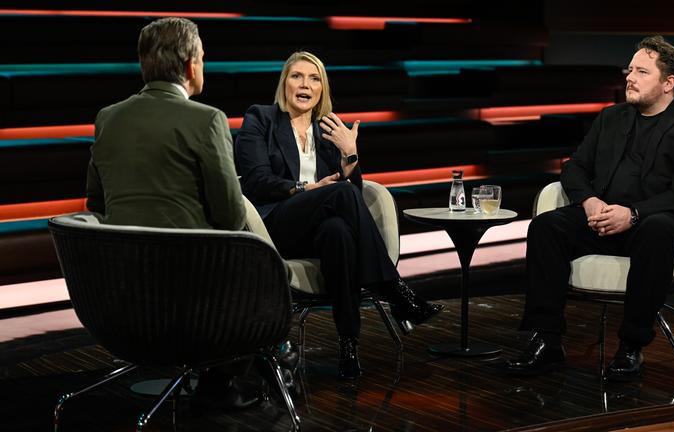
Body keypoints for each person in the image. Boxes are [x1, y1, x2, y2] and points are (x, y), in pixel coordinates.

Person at [507, 36, 674, 381]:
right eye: (630, 69)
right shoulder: (611, 117)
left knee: (659, 230)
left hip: (649, 222)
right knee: (546, 226)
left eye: (642, 72)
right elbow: (575, 168)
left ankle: (631, 348)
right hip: (599, 217)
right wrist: (590, 202)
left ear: (668, 83)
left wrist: (632, 214)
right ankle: (547, 341)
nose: (629, 77)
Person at [235, 51, 444, 379]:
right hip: (275, 225)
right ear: (284, 84)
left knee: (339, 233)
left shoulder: (327, 130)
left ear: (322, 89)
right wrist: (305, 188)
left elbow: (353, 197)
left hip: (317, 231)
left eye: (314, 78)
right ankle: (394, 290)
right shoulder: (260, 118)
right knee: (339, 197)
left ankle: (348, 346)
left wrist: (350, 154)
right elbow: (255, 180)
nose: (305, 84)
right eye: (297, 76)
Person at [85, 17, 260, 409]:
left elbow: (95, 203)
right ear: (190, 66)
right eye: (202, 57)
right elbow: (232, 217)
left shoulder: (107, 118)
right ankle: (228, 378)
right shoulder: (207, 119)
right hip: (192, 303)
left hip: (119, 297)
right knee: (258, 269)